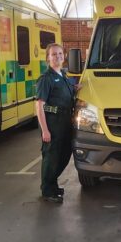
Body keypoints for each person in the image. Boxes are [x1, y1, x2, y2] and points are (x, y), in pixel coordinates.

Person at [36, 43, 79, 203]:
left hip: (66, 120)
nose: (58, 57)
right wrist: (45, 130)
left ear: (64, 56)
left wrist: (77, 88)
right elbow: (39, 105)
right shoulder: (46, 78)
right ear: (48, 58)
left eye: (60, 53)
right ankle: (47, 190)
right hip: (53, 121)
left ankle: (52, 184)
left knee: (65, 154)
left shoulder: (64, 76)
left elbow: (69, 91)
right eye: (54, 54)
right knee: (51, 156)